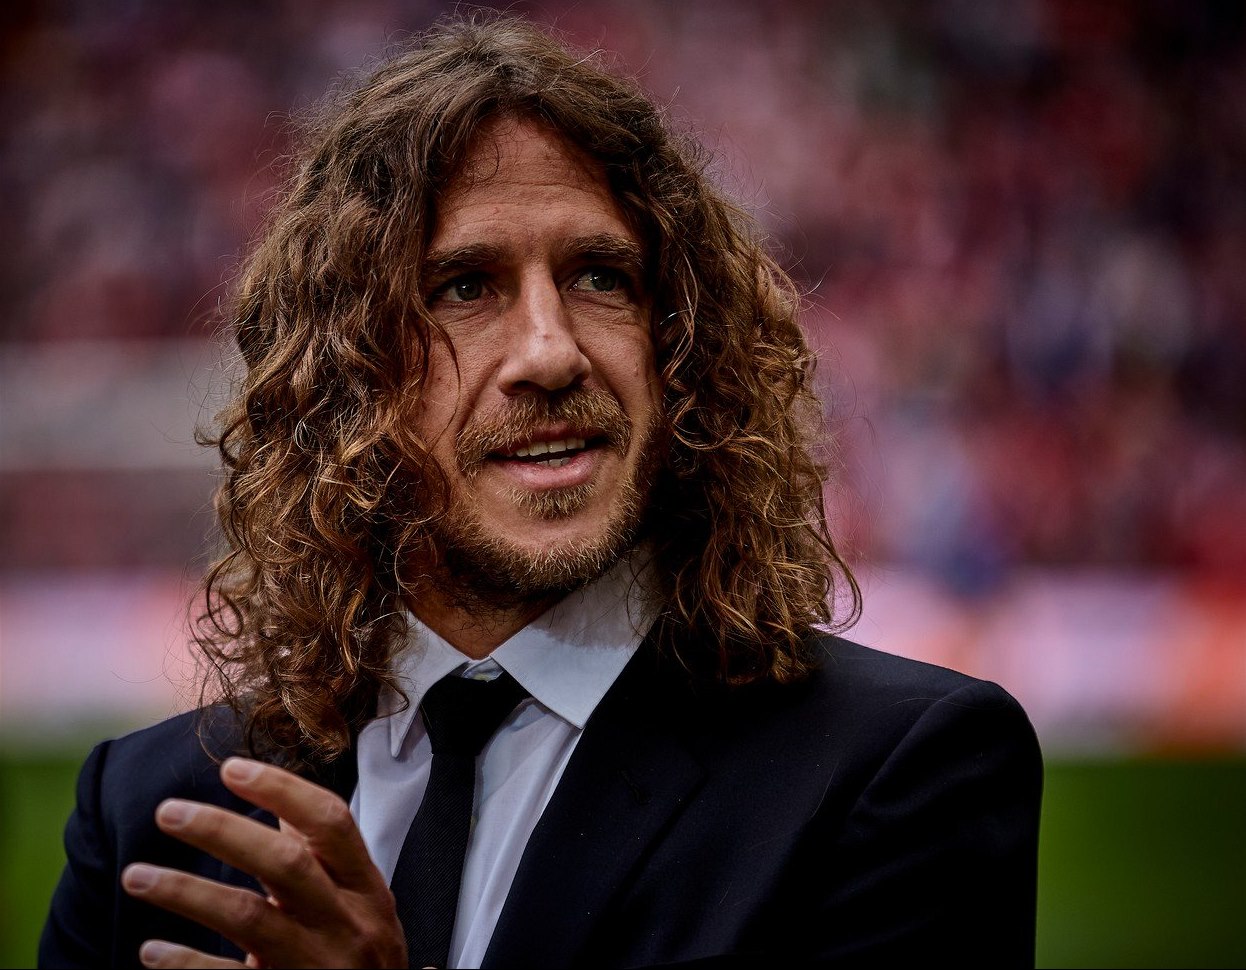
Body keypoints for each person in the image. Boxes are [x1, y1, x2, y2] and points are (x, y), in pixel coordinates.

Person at [39, 13, 1042, 970]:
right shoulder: (148, 816)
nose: (551, 352)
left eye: (600, 276)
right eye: (463, 287)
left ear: (679, 345)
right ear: (344, 374)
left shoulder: (895, 770)